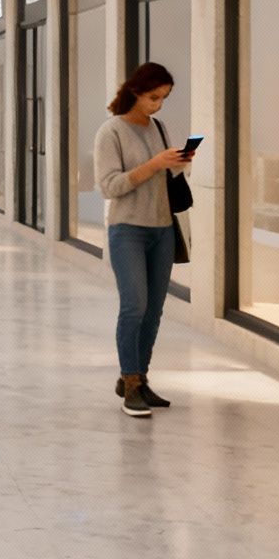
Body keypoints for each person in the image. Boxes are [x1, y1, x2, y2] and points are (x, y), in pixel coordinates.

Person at [94, 61, 188, 419]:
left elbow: (167, 175)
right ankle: (129, 384)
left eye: (163, 98)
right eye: (153, 97)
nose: (158, 105)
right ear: (135, 91)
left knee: (153, 311)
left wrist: (178, 161)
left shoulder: (159, 127)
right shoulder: (111, 132)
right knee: (134, 306)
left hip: (162, 229)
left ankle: (140, 378)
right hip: (128, 230)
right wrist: (155, 163)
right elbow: (110, 186)